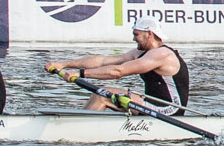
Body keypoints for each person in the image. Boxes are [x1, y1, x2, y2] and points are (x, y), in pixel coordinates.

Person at [51, 25, 192, 115]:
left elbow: (118, 71)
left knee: (102, 95)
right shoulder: (139, 53)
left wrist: (81, 74)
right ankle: (81, 125)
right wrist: (64, 64)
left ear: (149, 33)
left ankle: (80, 131)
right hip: (152, 104)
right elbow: (103, 61)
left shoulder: (162, 54)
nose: (133, 38)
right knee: (98, 93)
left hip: (169, 109)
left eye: (136, 34)